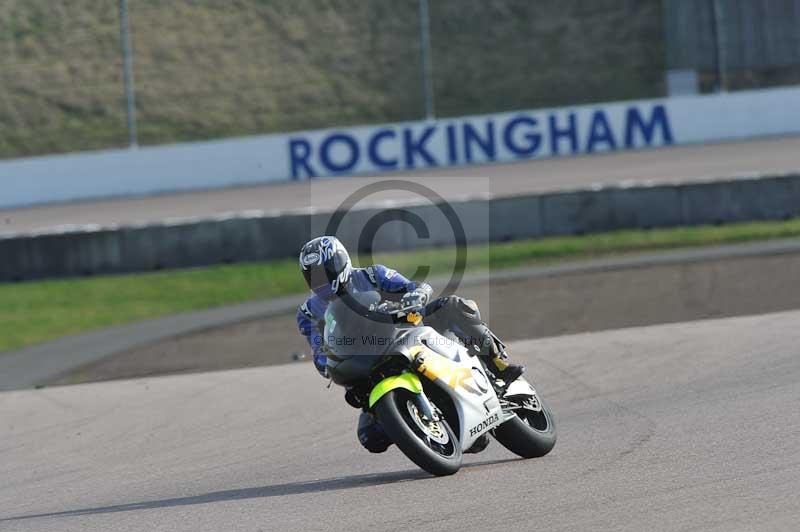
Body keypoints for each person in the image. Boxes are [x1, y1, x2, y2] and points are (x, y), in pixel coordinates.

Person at [296, 235, 524, 453]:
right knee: (370, 437)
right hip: (365, 361)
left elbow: (416, 287)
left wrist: (416, 296)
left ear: (340, 262)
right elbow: (317, 346)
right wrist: (324, 362)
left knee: (454, 306)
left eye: (325, 274)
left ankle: (496, 364)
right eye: (314, 277)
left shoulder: (373, 275)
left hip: (406, 331)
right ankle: (427, 429)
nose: (321, 282)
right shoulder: (309, 312)